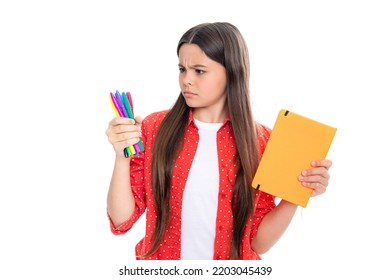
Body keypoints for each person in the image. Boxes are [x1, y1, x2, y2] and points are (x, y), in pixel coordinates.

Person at [105, 22, 333, 260]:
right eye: (182, 69)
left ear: (231, 72)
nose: (186, 80)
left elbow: (258, 243)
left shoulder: (262, 141)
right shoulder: (154, 128)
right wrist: (122, 156)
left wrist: (296, 192)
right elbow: (121, 220)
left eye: (199, 71)